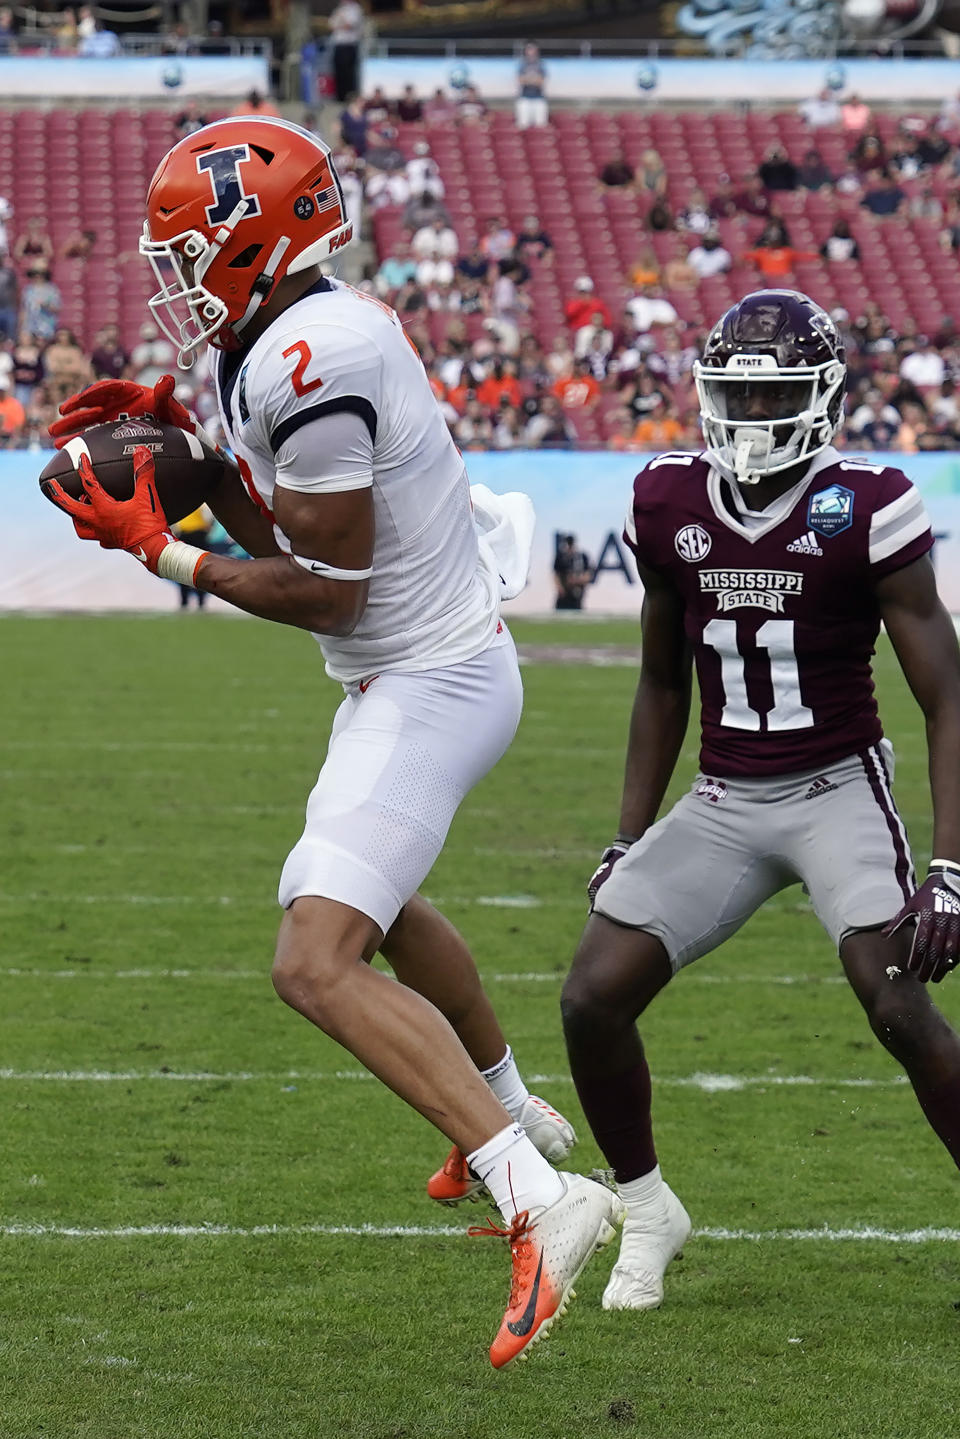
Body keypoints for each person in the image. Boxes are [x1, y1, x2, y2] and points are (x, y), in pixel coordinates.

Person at [44, 115, 623, 1369]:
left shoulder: (310, 355)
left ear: (256, 238)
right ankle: (515, 1107)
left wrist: (163, 548)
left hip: (426, 674)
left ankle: (536, 1190)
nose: (177, 281)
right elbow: (295, 530)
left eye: (191, 251)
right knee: (378, 904)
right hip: (414, 666)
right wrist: (194, 467)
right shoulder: (293, 336)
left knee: (313, 957)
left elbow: (327, 589)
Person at [560, 288, 960, 1315]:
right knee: (592, 994)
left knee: (896, 999)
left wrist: (951, 870)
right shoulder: (666, 499)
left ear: (820, 395)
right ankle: (647, 1208)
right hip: (725, 796)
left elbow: (946, 693)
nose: (748, 416)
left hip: (835, 788)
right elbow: (661, 681)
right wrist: (626, 834)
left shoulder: (866, 501)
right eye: (734, 394)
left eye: (772, 393)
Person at [327, 0, 364, 103]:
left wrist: (341, 21)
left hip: (349, 45)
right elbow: (331, 25)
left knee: (348, 73)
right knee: (339, 72)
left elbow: (350, 25)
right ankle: (340, 97)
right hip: (338, 45)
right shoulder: (339, 9)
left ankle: (349, 97)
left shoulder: (355, 9)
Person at [554, 533, 592, 610]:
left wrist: (576, 580)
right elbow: (556, 575)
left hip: (576, 593)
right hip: (563, 594)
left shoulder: (582, 557)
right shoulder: (561, 557)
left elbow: (588, 575)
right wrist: (560, 588)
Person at [515, 42, 548, 129]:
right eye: (529, 50)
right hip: (524, 97)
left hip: (539, 97)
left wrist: (528, 79)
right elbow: (520, 80)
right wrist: (534, 79)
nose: (531, 52)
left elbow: (541, 81)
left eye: (533, 50)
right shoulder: (522, 64)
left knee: (540, 125)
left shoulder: (541, 64)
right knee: (522, 124)